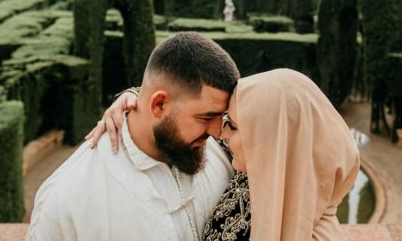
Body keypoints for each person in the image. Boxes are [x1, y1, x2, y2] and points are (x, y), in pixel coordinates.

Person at [91, 68, 360, 240]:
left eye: (233, 124)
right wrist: (133, 99)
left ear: (271, 141)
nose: (221, 132)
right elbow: (182, 107)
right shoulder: (252, 173)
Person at [26, 32, 240, 241]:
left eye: (222, 116)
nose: (217, 131)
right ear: (159, 105)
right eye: (206, 116)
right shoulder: (67, 199)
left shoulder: (228, 154)